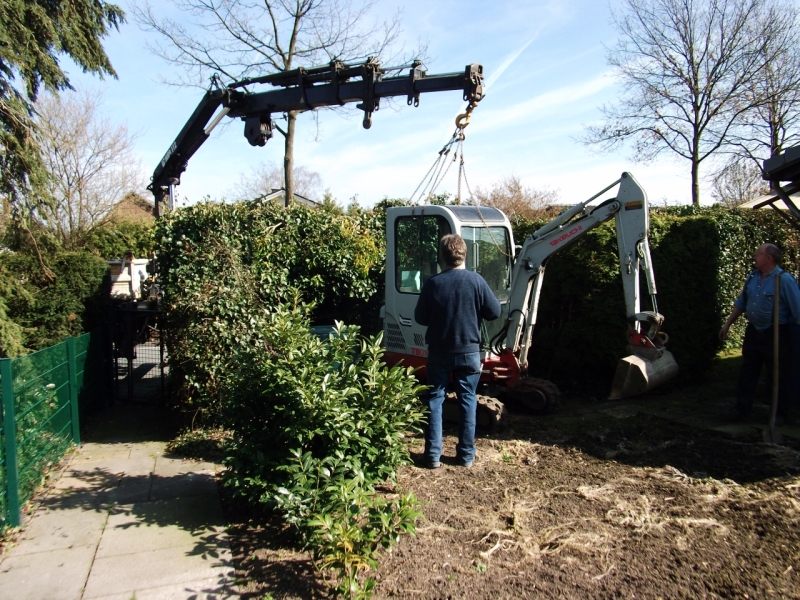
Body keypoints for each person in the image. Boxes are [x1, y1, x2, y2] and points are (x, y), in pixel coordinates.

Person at [414, 234, 501, 469]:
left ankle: (432, 456)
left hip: (440, 351)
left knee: (434, 399)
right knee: (468, 399)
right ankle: (465, 456)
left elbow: (420, 318)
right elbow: (494, 312)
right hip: (469, 352)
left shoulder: (433, 283)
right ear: (464, 254)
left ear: (442, 255)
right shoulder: (476, 281)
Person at [719, 243, 800, 423]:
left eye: (758, 254)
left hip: (777, 333)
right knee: (748, 371)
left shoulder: (784, 280)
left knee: (777, 374)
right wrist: (727, 325)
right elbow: (741, 303)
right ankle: (742, 409)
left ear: (768, 258)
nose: (755, 257)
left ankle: (779, 413)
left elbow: (798, 309)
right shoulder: (753, 277)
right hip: (755, 331)